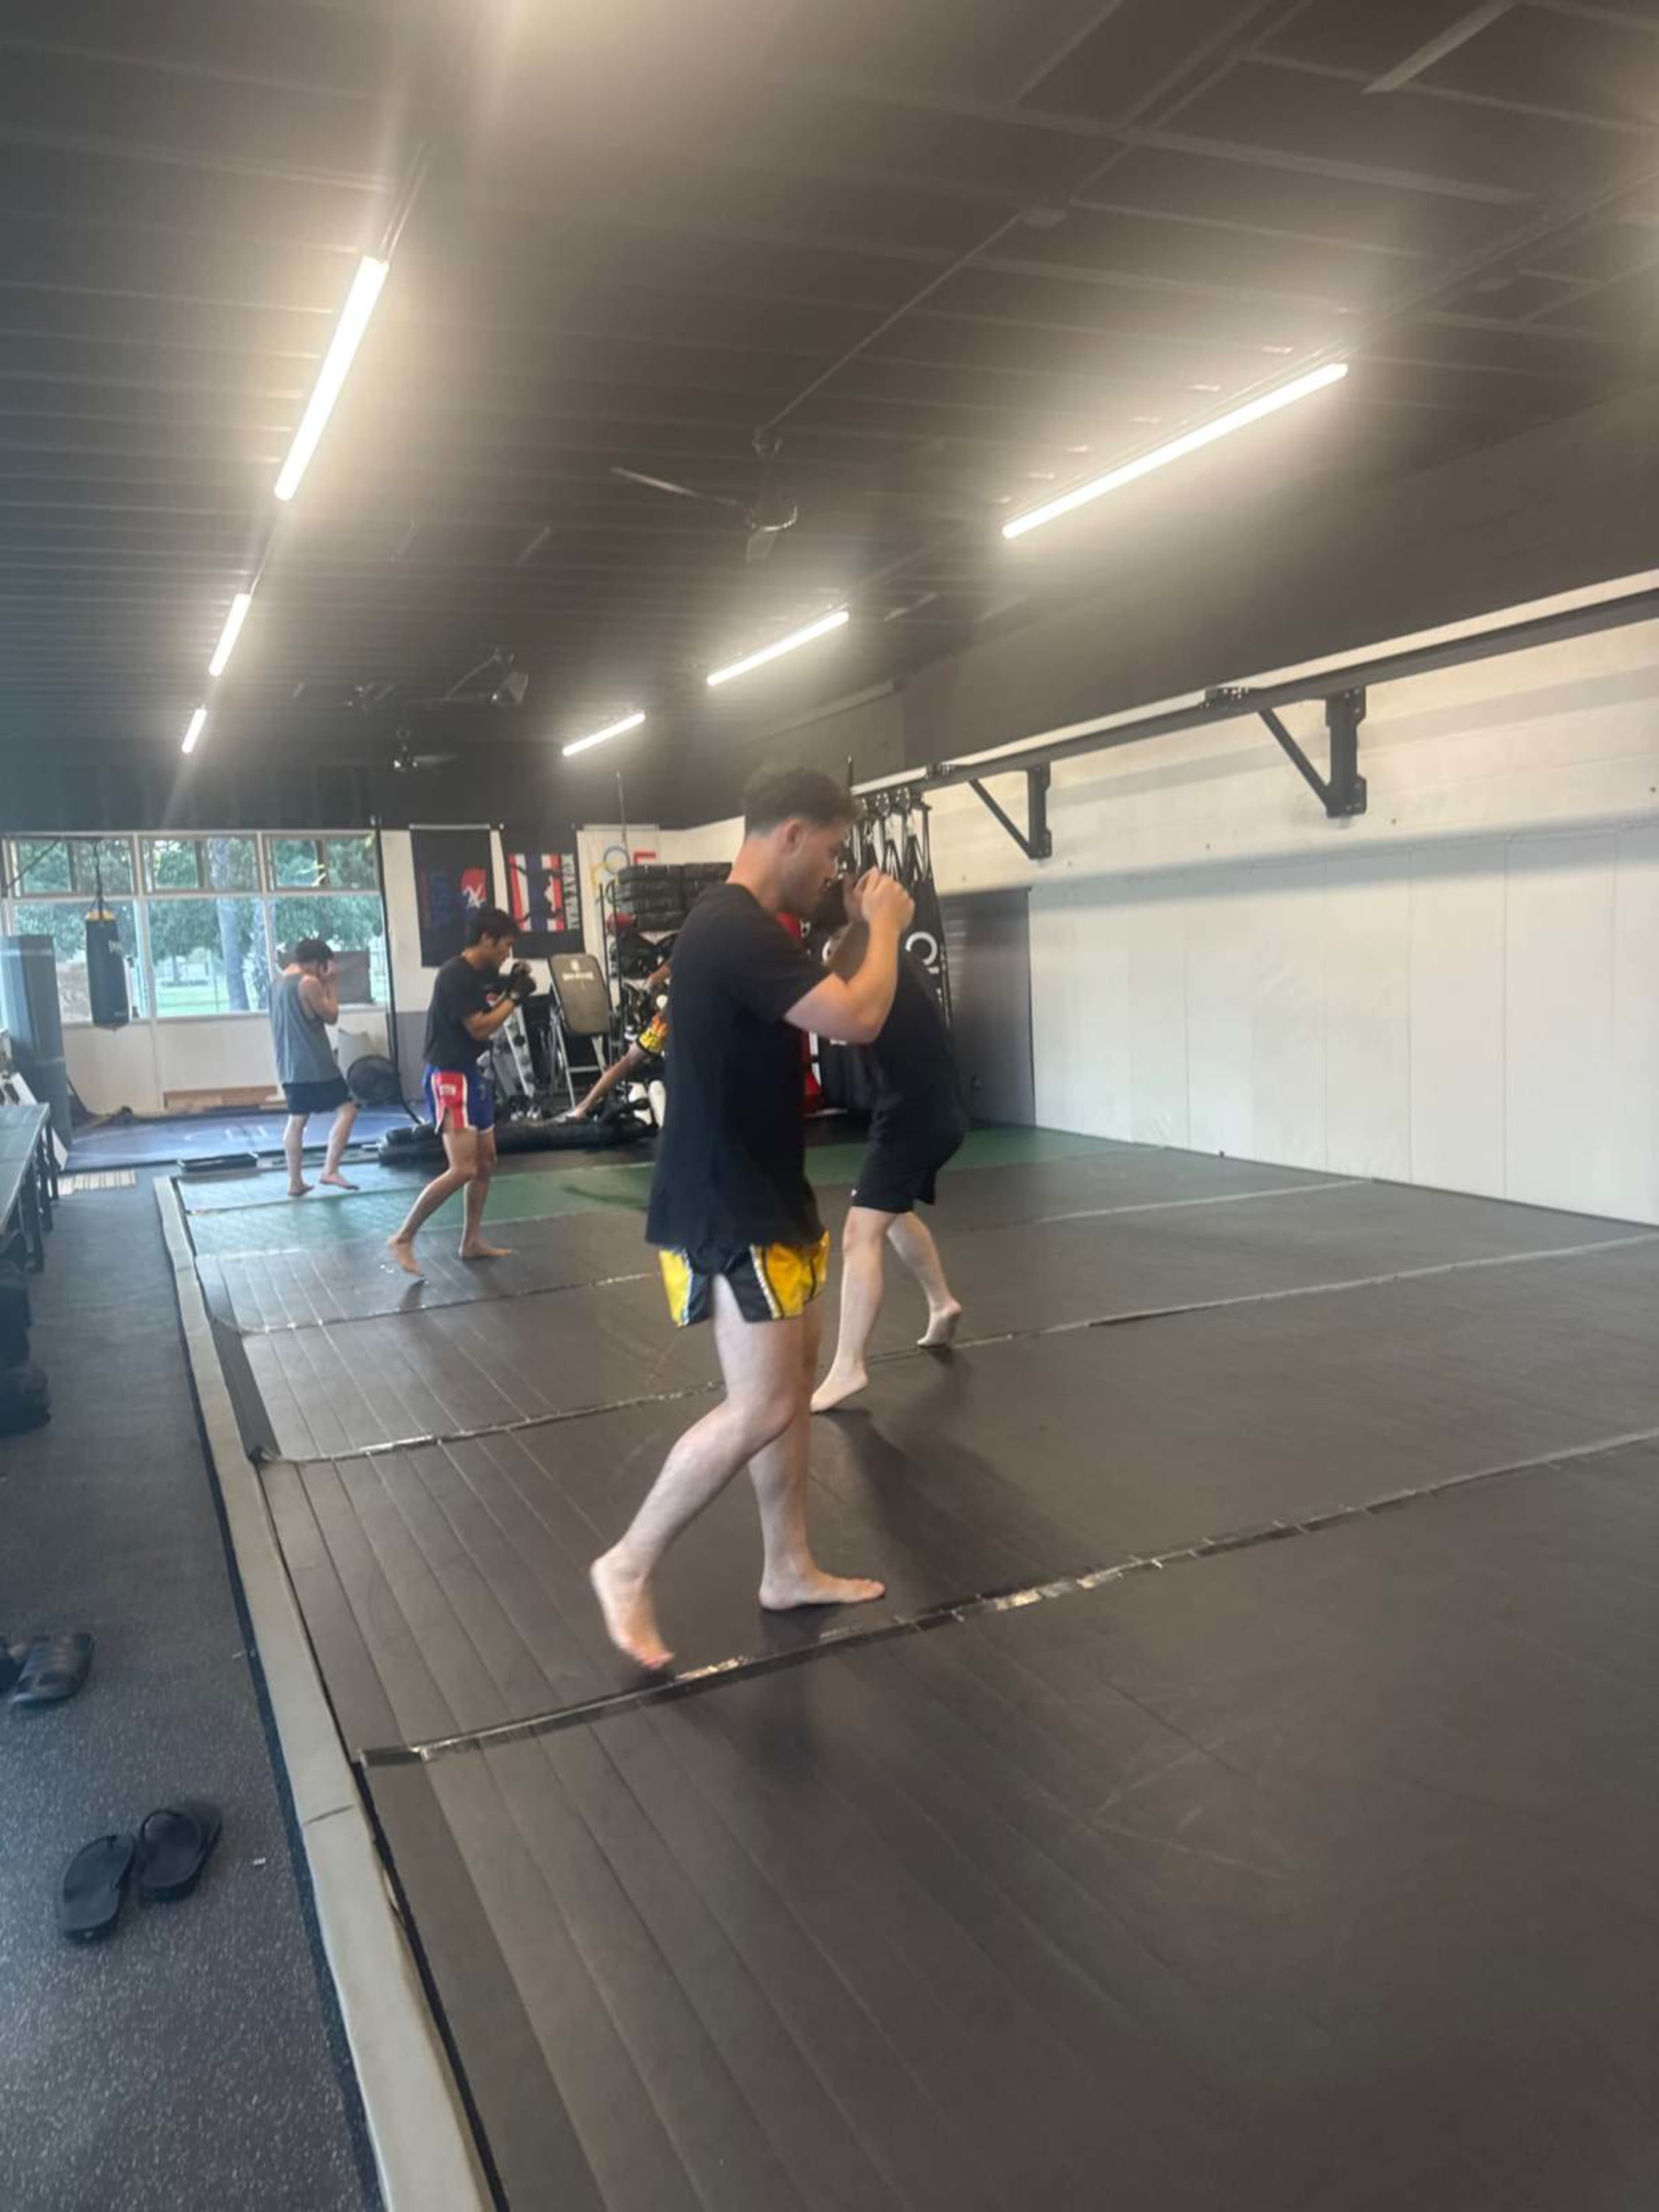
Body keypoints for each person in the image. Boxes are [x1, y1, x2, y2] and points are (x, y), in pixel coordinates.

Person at [591, 766, 915, 1672]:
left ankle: (788, 1567)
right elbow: (857, 1017)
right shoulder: (733, 928)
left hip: (765, 1191)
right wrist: (885, 928)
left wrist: (854, 927)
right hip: (728, 1202)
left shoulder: (749, 930)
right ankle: (627, 1562)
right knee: (767, 1402)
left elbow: (826, 995)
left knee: (793, 1391)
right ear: (793, 836)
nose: (834, 869)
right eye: (833, 850)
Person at [809, 879, 969, 1411]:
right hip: (930, 1107)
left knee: (859, 1233)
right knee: (890, 1211)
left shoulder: (865, 949)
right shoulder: (884, 949)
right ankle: (942, 1302)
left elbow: (836, 1006)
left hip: (913, 1114)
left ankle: (849, 1365)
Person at [387, 907, 534, 1278]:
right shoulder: (455, 975)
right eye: (506, 946)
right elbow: (480, 1029)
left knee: (486, 1164)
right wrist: (513, 999)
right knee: (463, 1168)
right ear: (487, 939)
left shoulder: (481, 974)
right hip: (449, 1076)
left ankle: (471, 1241)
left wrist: (509, 983)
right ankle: (403, 1236)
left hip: (473, 1074)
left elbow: (490, 990)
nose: (508, 953)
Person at [270, 938, 358, 1198]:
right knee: (349, 1110)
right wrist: (331, 984)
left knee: (297, 1120)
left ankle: (295, 1182)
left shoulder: (276, 984)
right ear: (318, 964)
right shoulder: (309, 983)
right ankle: (330, 1169)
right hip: (315, 1066)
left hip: (289, 1065)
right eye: (325, 967)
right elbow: (332, 1016)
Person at [562, 957, 670, 1122]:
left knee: (627, 1062)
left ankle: (582, 1108)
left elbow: (652, 982)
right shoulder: (710, 957)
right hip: (676, 1024)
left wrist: (644, 1002)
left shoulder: (686, 953)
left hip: (667, 1021)